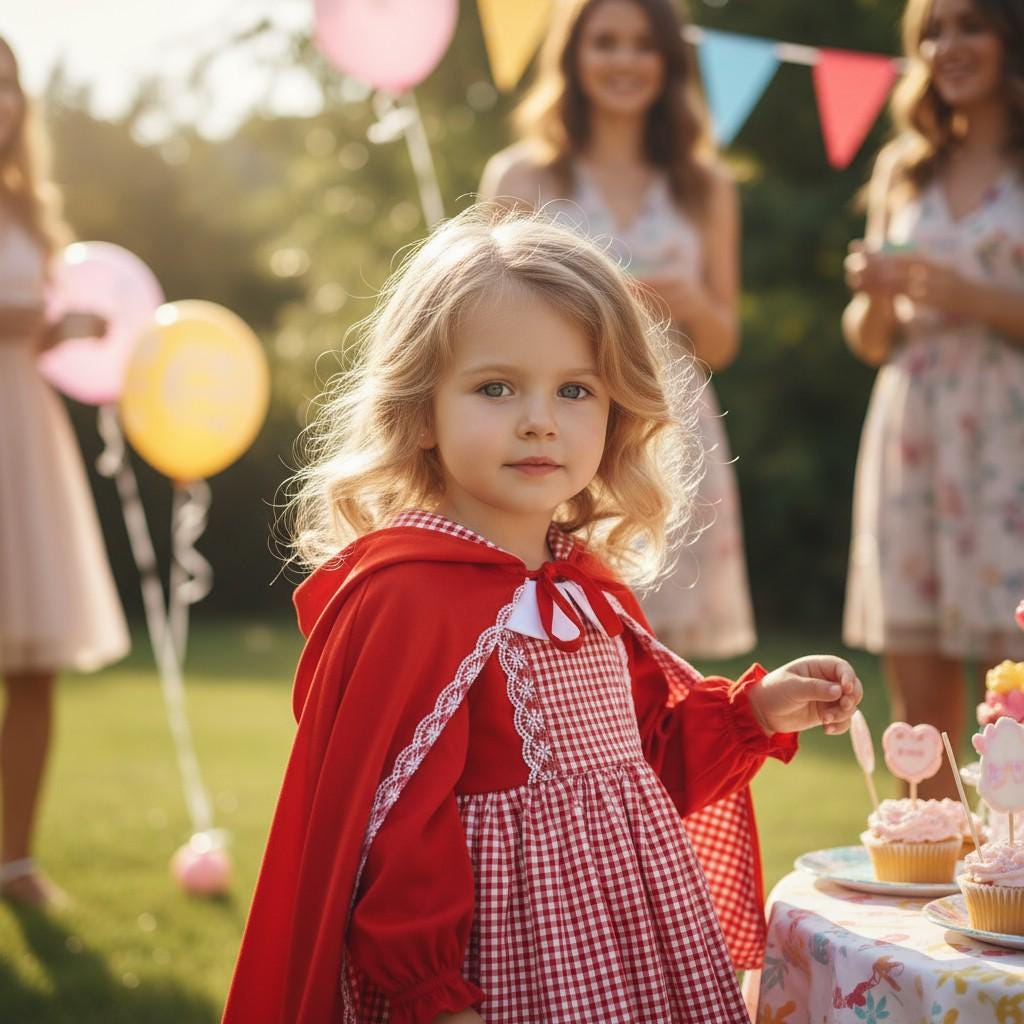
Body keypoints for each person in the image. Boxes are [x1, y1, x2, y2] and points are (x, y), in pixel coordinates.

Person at [222, 209, 862, 1024]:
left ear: (614, 412)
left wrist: (756, 711)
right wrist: (435, 995)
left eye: (575, 389)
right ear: (422, 411)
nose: (539, 419)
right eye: (496, 387)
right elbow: (396, 834)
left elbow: (644, 770)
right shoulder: (411, 598)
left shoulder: (587, 592)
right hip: (500, 973)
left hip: (627, 954)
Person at [479, 0, 755, 659]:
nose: (624, 60)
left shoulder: (706, 185)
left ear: (669, 60)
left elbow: (721, 346)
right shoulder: (523, 175)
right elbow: (483, 320)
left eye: (642, 44)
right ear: (573, 56)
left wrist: (688, 302)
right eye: (606, 42)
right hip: (554, 420)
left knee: (666, 661)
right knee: (564, 633)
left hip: (669, 425)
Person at [842, 0, 1024, 799]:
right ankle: (933, 873)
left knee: (1011, 678)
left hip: (1008, 430)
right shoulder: (903, 168)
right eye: (932, 32)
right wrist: (874, 297)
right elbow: (871, 340)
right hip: (913, 422)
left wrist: (965, 292)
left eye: (969, 26)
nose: (948, 46)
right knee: (918, 695)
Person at [0, 35, 130, 905]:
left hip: (21, 433)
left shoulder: (29, 213)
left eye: (6, 84)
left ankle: (14, 860)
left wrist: (64, 331)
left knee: (31, 662)